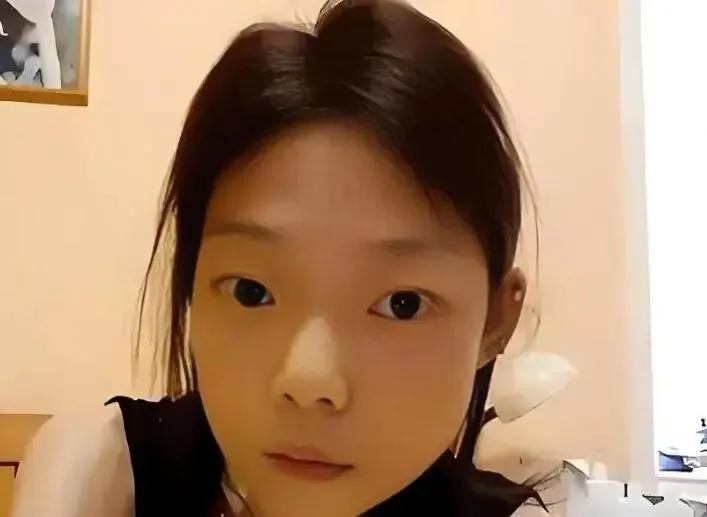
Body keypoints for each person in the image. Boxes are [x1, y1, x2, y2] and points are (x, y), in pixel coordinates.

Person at [11, 1, 549, 516]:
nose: (310, 382)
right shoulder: (96, 477)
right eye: (251, 291)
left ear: (496, 320)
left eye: (402, 304)